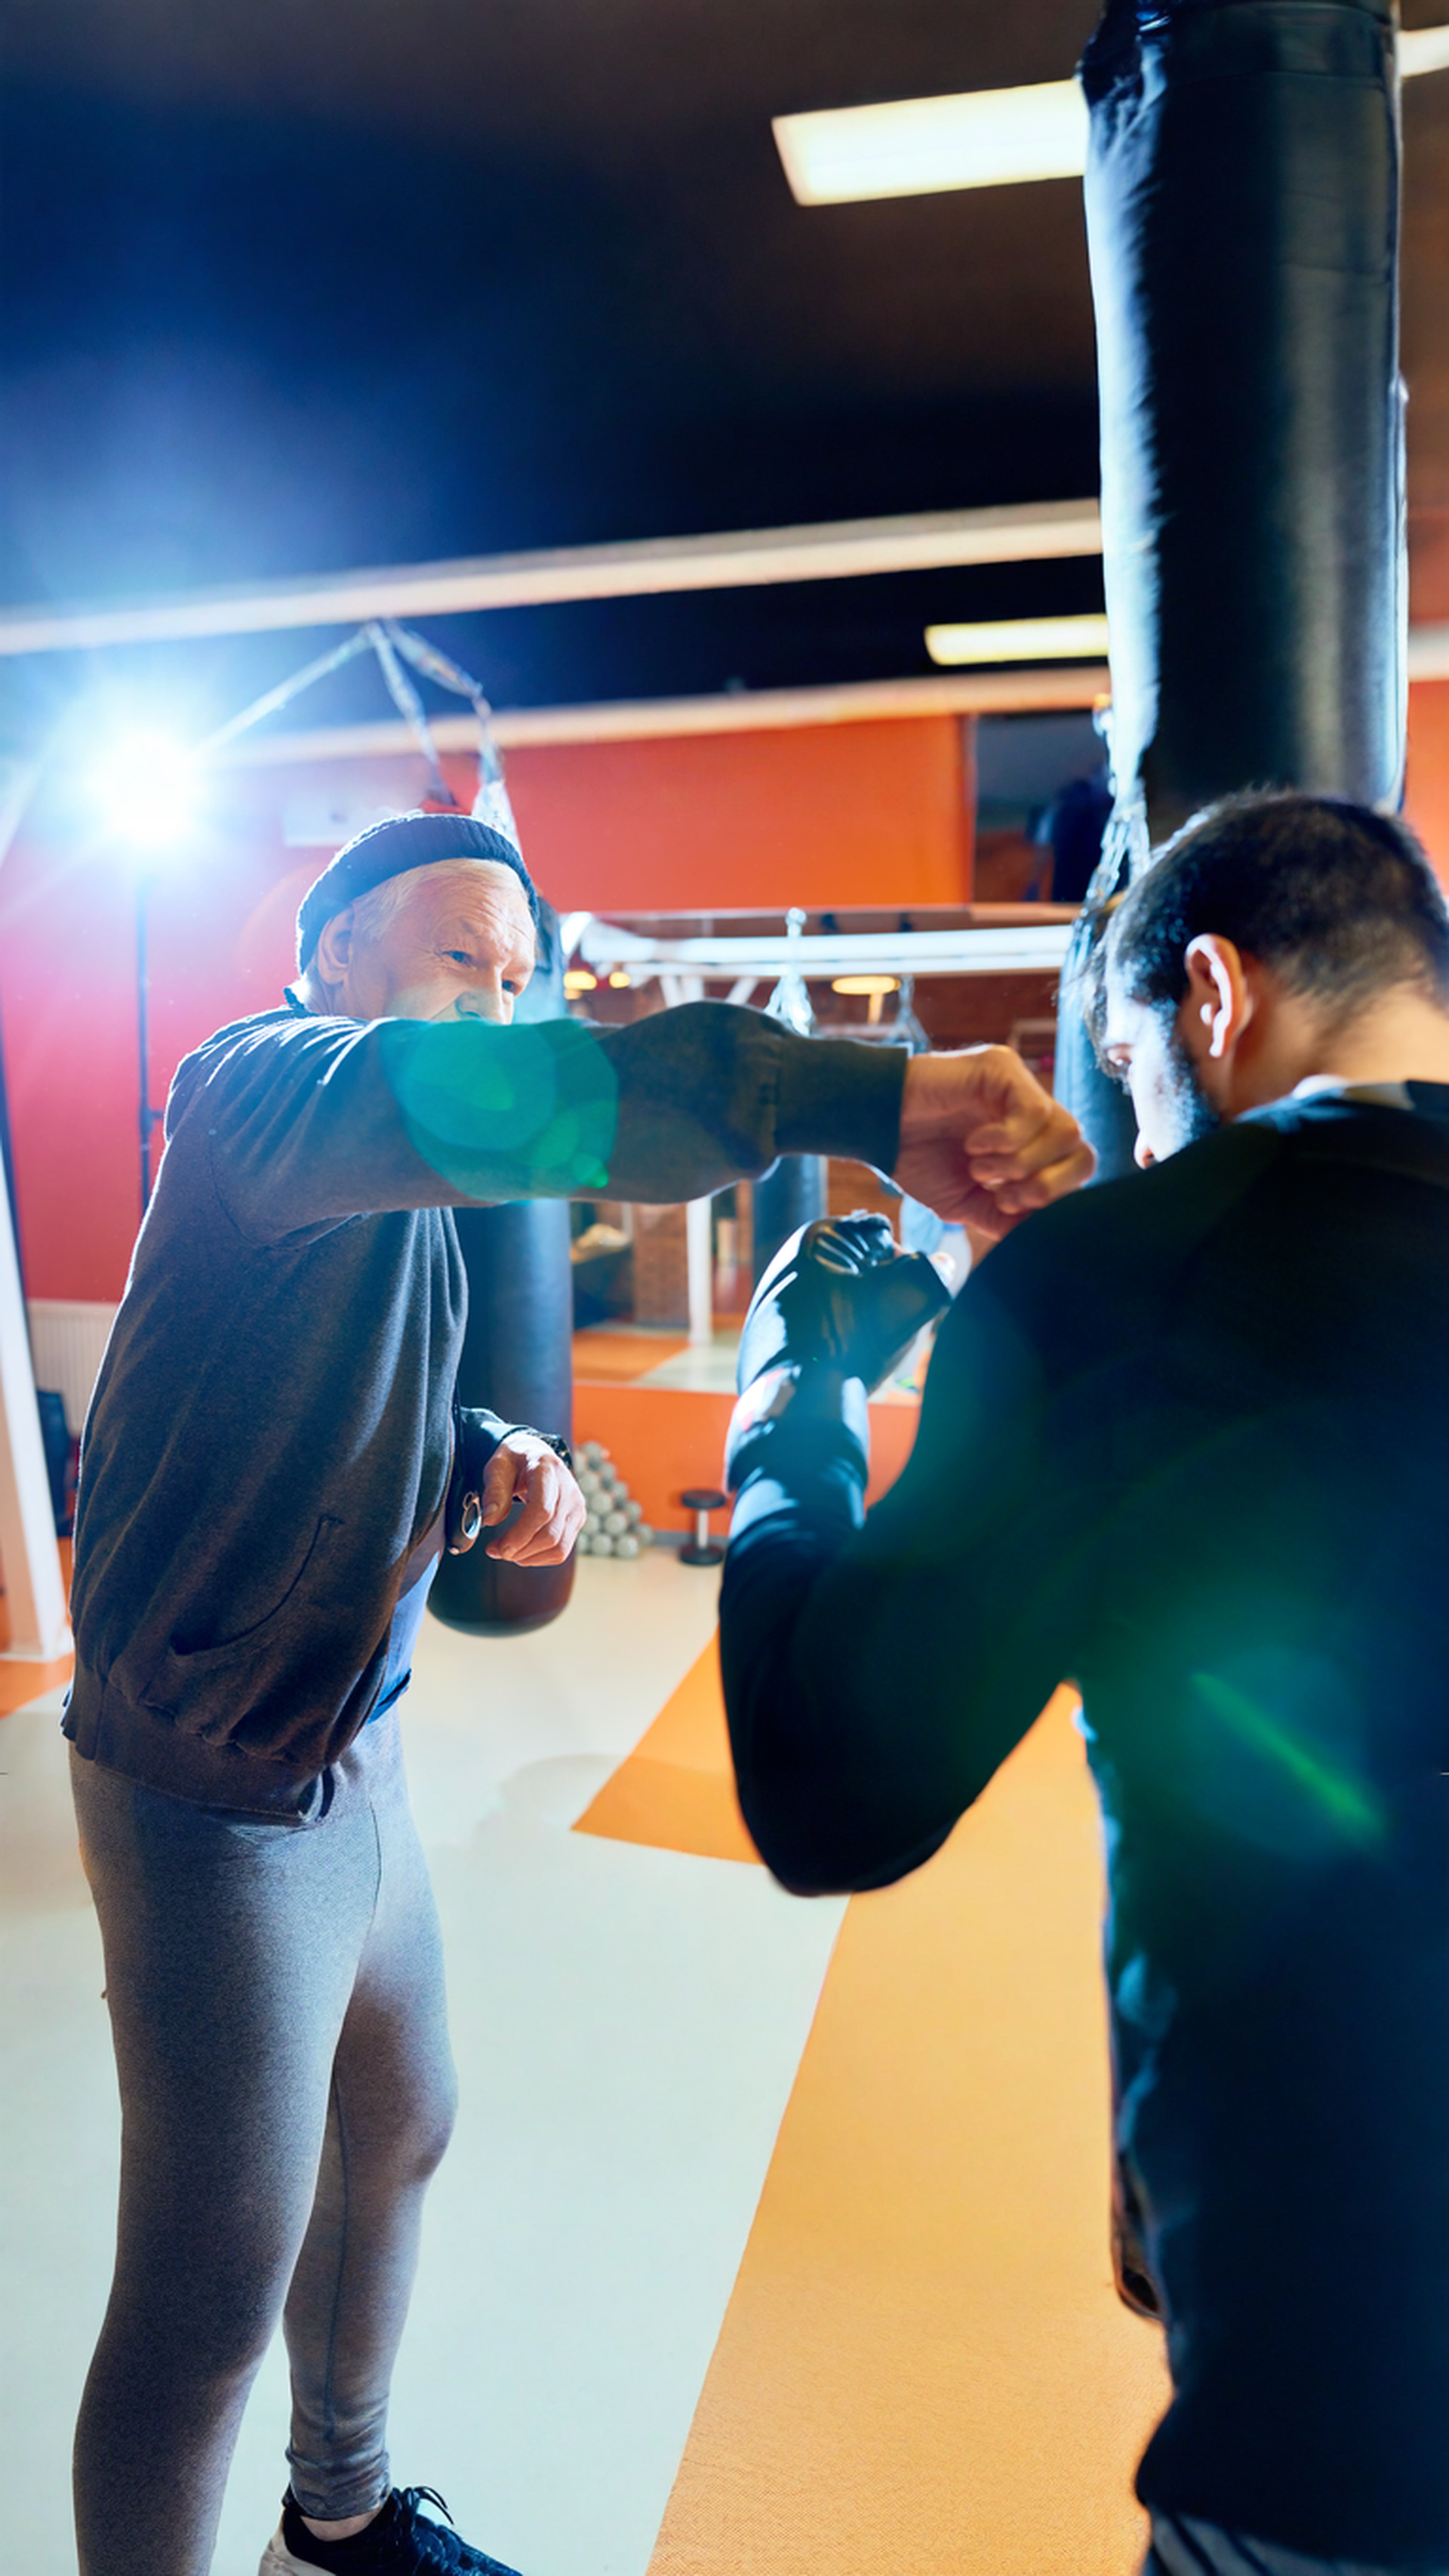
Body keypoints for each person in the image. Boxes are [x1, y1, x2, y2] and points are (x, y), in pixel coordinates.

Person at [63, 807, 1091, 2576]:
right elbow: (544, 1096)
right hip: (212, 1781)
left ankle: (344, 2512)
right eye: (465, 954)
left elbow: (378, 1393)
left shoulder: (412, 1209)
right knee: (207, 2286)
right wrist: (879, 1100)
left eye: (526, 968)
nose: (505, 991)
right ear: (334, 959)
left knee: (401, 2121)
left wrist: (494, 1453)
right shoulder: (263, 1086)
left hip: (353, 1744)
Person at [716, 789, 1449, 2576]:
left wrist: (793, 1403)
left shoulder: (1125, 1279)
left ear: (1211, 992)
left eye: (1122, 1070)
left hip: (1348, 2394)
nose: (1127, 1127)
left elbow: (833, 1794)